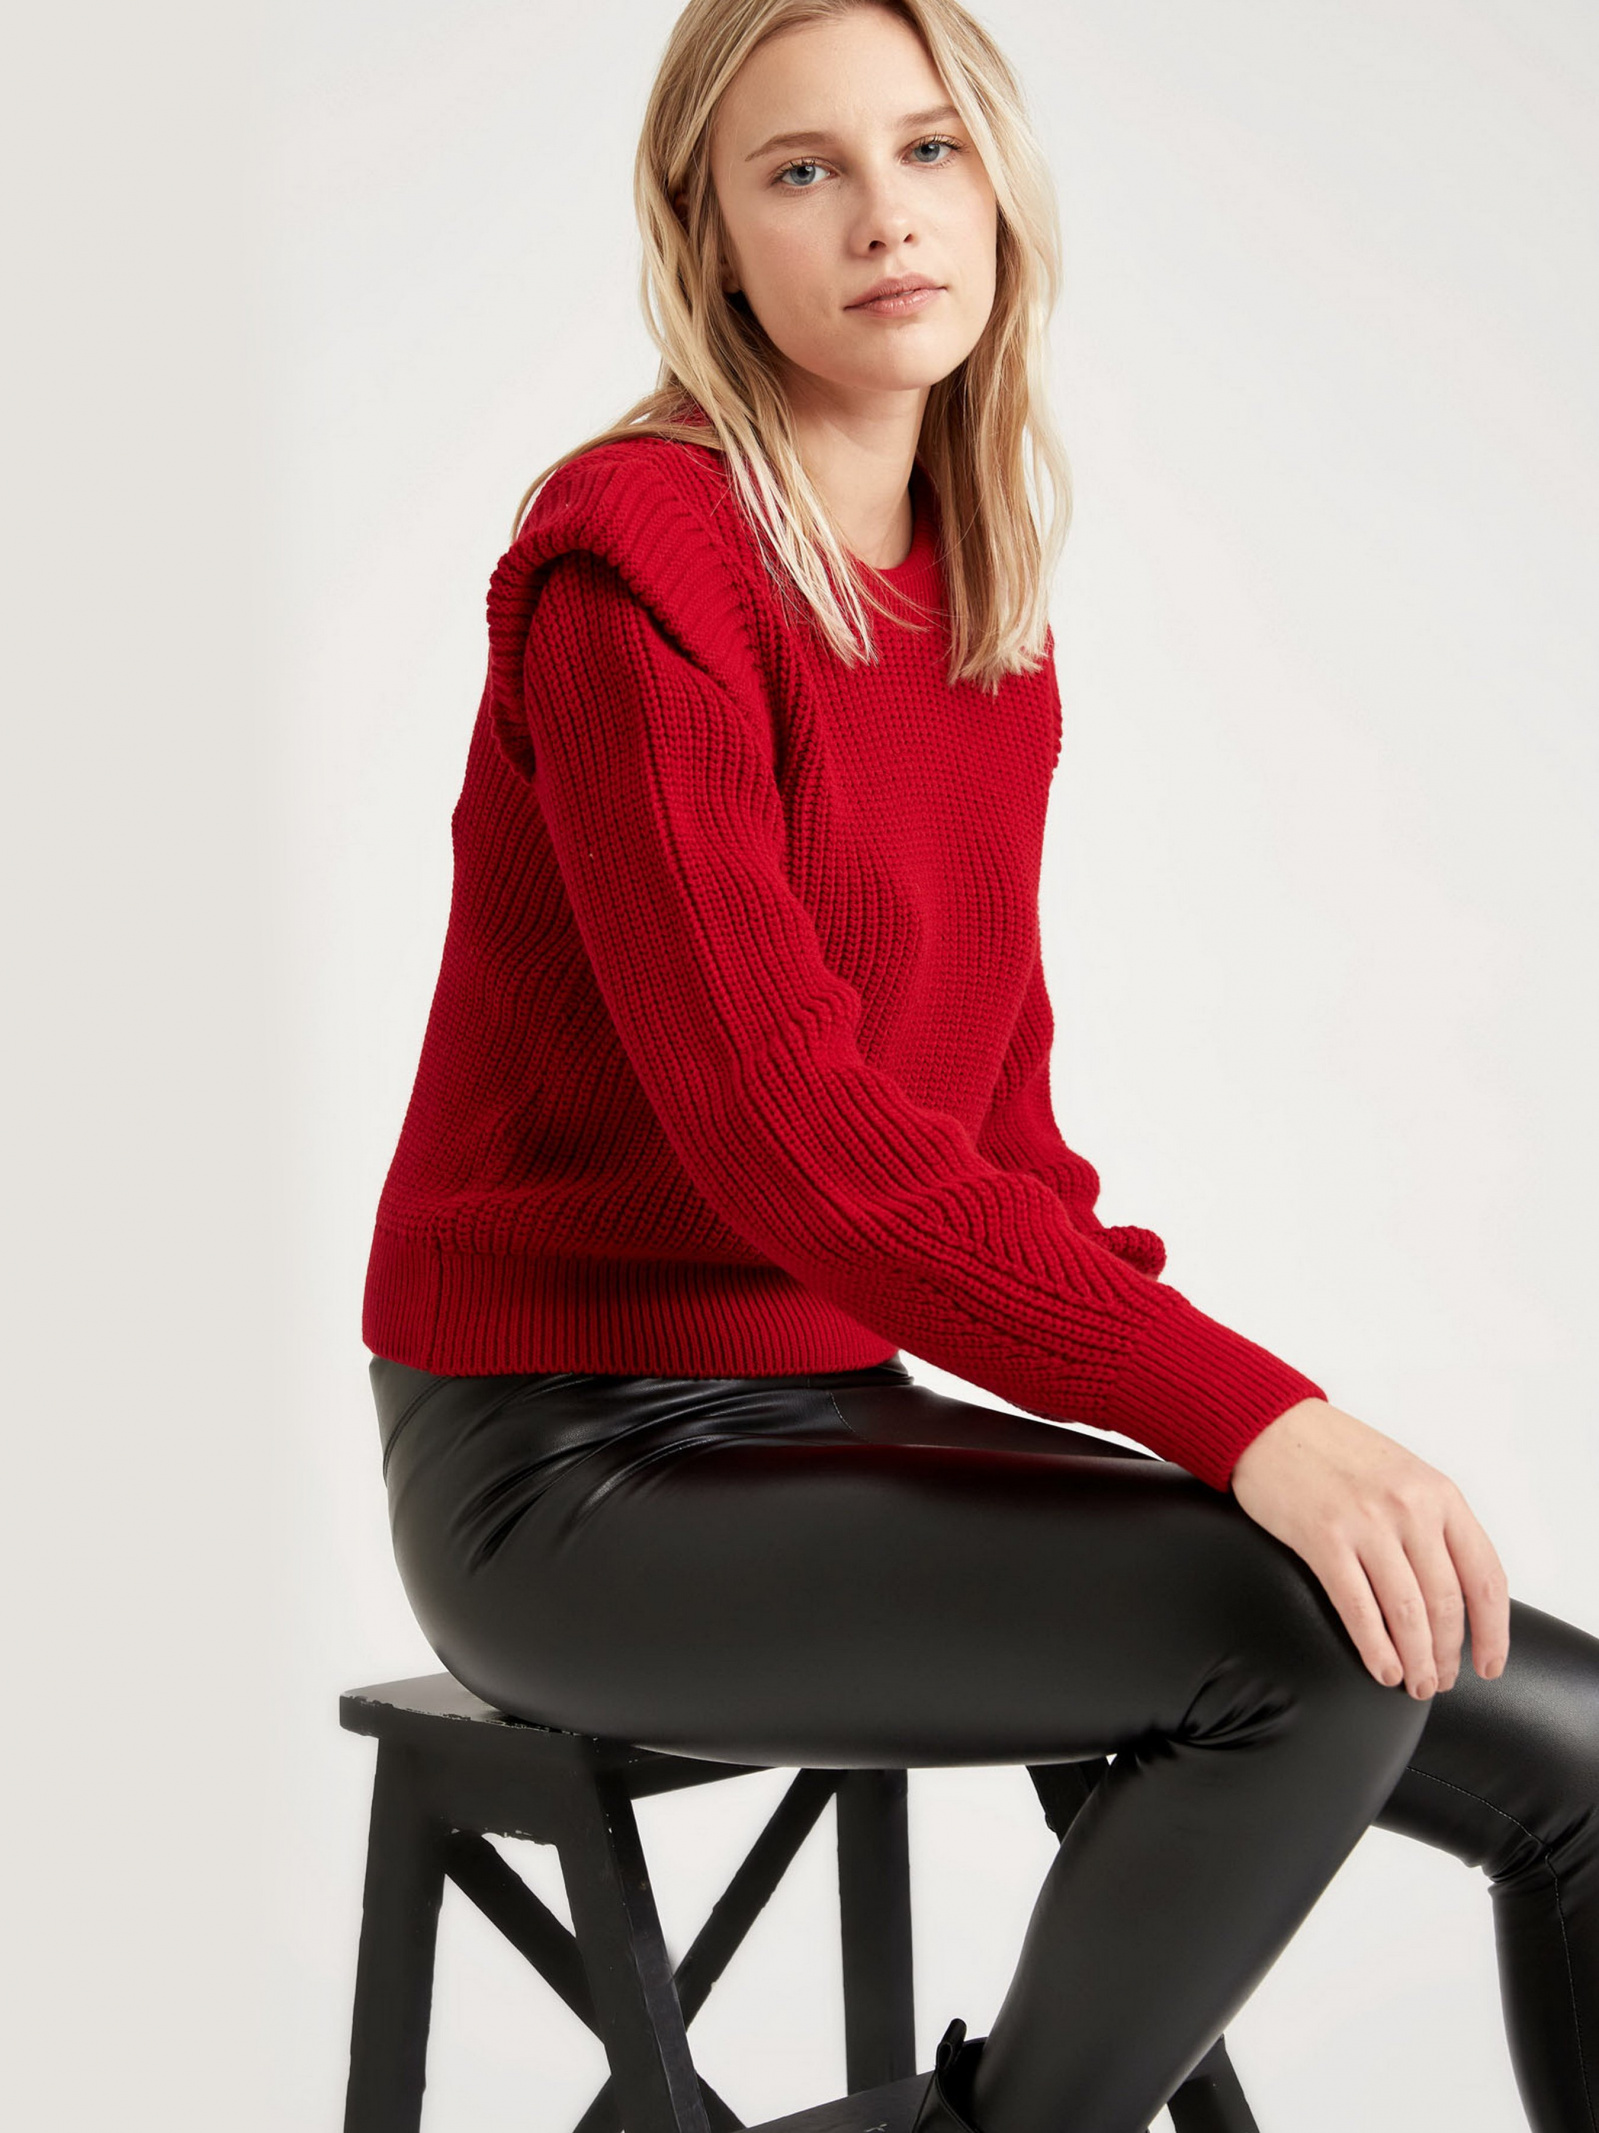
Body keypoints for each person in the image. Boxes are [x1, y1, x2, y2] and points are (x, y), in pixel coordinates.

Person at [360, 4, 1599, 2128]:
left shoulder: (978, 621)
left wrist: (1244, 1423)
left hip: (825, 1416)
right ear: (707, 237)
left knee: (1570, 1750)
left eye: (927, 149)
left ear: (998, 187)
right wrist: (1256, 1420)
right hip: (567, 1469)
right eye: (803, 169)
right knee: (1304, 1650)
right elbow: (789, 1142)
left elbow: (988, 1148)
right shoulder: (630, 562)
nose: (885, 215)